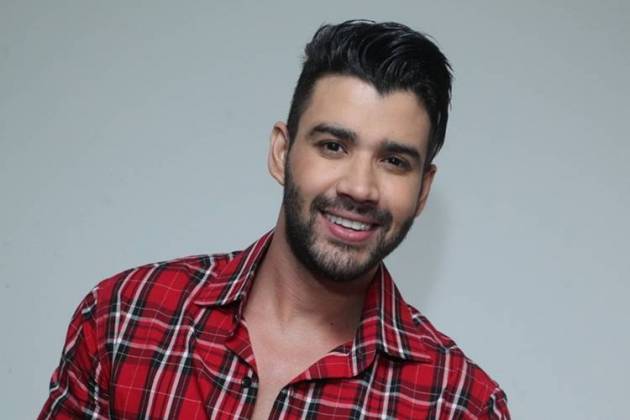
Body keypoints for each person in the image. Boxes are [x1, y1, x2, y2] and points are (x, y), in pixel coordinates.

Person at [39, 20, 510, 419]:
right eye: (333, 146)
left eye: (394, 161)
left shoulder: (458, 404)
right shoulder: (123, 319)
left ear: (423, 189)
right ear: (282, 153)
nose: (360, 187)